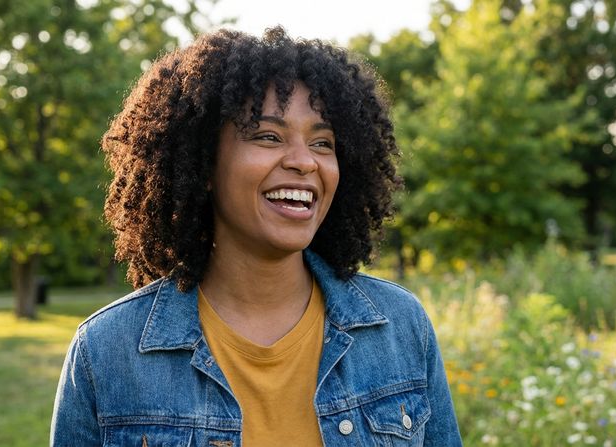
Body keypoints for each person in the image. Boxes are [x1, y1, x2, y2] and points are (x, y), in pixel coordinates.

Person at [51, 27, 461, 446]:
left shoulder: (400, 327)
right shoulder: (106, 352)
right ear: (204, 163)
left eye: (323, 142)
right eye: (268, 136)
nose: (305, 162)